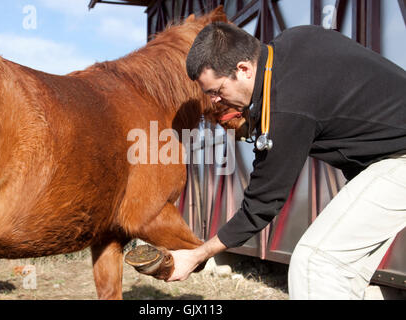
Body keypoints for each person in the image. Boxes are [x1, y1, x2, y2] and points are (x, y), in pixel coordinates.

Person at [166, 22, 406, 300]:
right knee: (342, 277)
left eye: (217, 91)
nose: (216, 101)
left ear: (243, 69)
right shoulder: (293, 42)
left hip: (400, 159)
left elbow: (260, 205)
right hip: (388, 157)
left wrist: (197, 255)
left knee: (315, 265)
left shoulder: (287, 106)